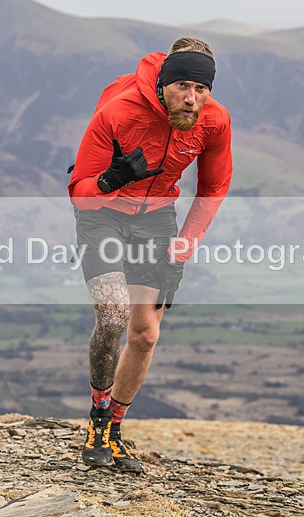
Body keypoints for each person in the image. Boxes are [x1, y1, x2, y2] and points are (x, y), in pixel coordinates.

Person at [67, 37, 232, 473]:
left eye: (201, 90)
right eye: (182, 86)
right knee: (113, 316)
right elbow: (79, 195)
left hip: (157, 220)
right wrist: (111, 179)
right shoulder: (119, 112)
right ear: (163, 85)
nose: (191, 99)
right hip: (102, 214)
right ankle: (96, 423)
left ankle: (113, 431)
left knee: (145, 334)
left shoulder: (214, 122)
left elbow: (213, 188)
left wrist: (186, 242)